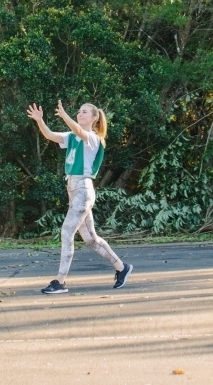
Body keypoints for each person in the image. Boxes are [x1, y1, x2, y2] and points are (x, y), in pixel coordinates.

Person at [27, 100, 133, 294]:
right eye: (79, 111)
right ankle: (121, 267)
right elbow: (50, 135)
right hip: (74, 189)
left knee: (67, 232)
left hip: (83, 190)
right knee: (91, 239)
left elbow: (79, 131)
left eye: (84, 112)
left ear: (94, 118)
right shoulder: (73, 137)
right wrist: (40, 121)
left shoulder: (93, 138)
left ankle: (60, 282)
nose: (80, 113)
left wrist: (65, 115)